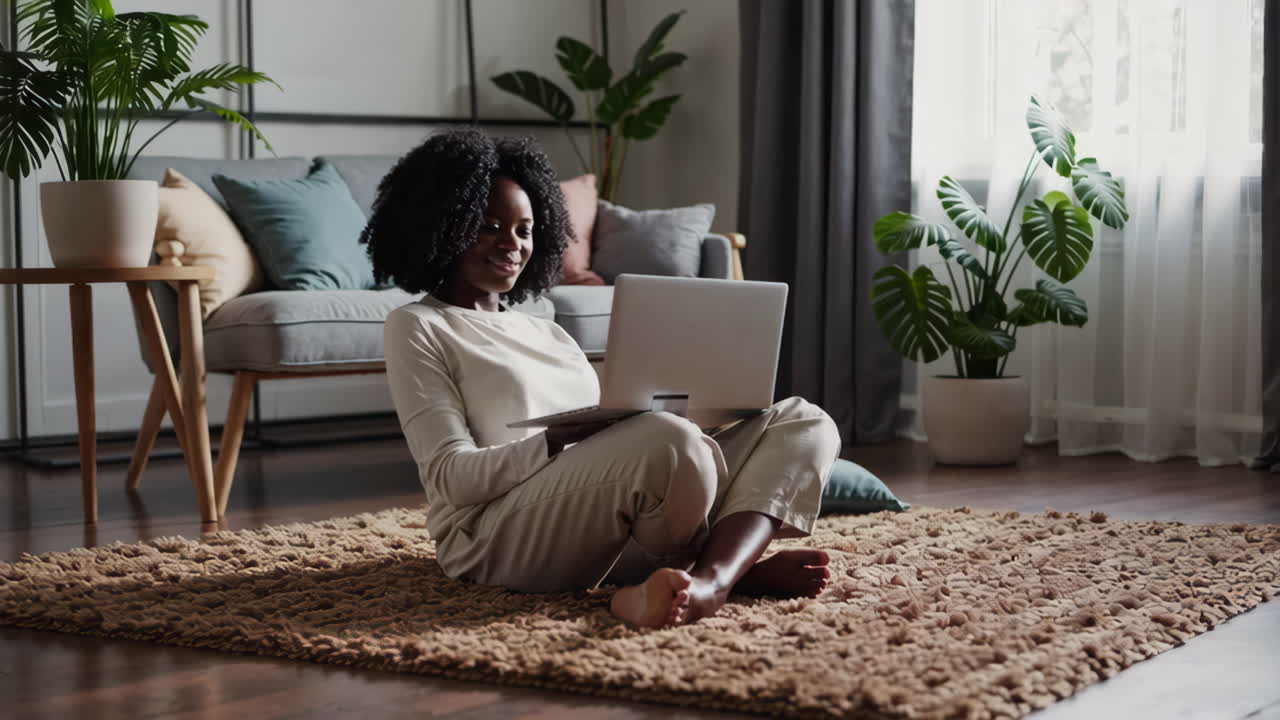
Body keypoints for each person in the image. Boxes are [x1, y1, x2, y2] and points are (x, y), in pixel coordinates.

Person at [364, 128, 842, 627]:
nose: (512, 244)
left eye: (525, 230)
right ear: (445, 224)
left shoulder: (545, 327)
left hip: (604, 522)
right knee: (668, 441)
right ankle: (731, 575)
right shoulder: (419, 325)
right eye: (489, 226)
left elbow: (625, 456)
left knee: (802, 420)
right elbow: (449, 479)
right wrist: (552, 441)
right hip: (490, 536)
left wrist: (675, 414)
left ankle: (711, 580)